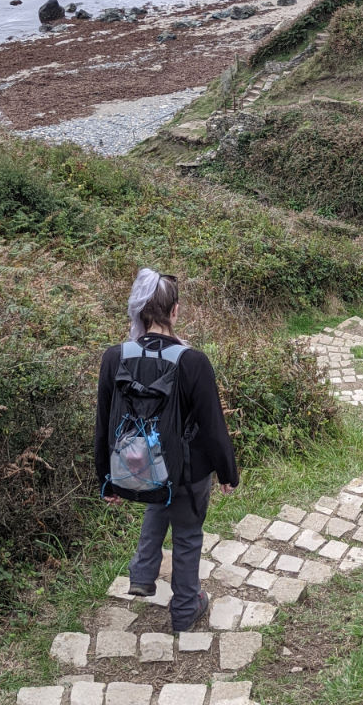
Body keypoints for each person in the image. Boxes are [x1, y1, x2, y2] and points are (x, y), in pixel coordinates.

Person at [94, 268, 239, 632]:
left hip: (137, 465)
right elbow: (212, 424)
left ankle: (143, 573)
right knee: (188, 534)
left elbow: (103, 424)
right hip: (188, 469)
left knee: (160, 497)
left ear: (141, 312)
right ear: (175, 311)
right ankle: (186, 607)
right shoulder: (193, 361)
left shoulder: (115, 357)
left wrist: (107, 480)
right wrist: (227, 471)